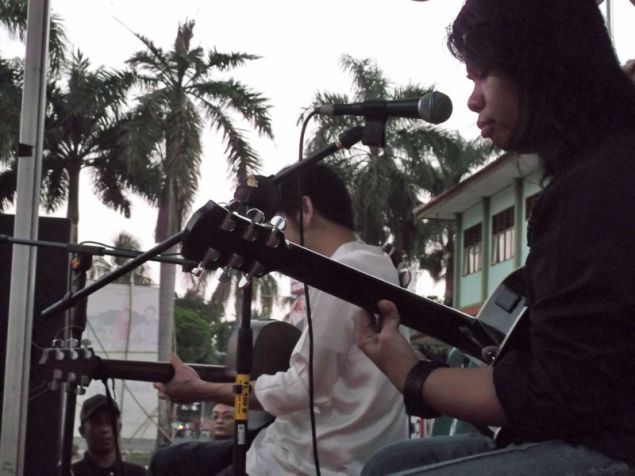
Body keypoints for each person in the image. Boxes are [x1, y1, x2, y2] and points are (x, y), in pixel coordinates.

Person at [355, 1, 635, 475]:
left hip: (614, 447)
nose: (473, 100)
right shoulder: (597, 171)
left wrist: (413, 374)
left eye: (482, 75)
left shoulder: (595, 190)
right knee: (392, 463)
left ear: (539, 67)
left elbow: (552, 396)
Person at [152, 164, 409, 475]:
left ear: (305, 209)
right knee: (170, 461)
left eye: (282, 226)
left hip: (311, 461)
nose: (280, 241)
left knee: (168, 464)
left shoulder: (343, 274)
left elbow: (302, 388)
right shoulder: (377, 265)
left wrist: (201, 388)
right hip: (336, 448)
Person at [72, 394, 147, 476]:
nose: (105, 429)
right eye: (96, 423)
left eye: (110, 421)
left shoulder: (138, 473)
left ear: (119, 427)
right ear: (82, 431)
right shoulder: (68, 472)